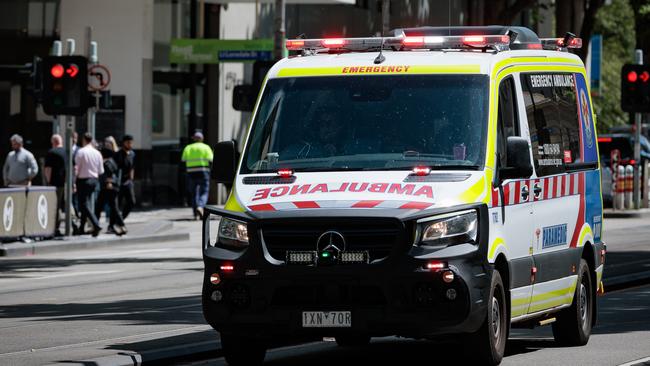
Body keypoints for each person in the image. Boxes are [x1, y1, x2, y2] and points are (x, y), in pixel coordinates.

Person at [74, 133, 104, 237]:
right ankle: (82, 227)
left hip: (83, 180)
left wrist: (73, 181)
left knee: (83, 204)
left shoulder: (81, 152)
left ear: (83, 140)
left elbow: (76, 169)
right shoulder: (97, 153)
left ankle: (95, 224)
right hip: (94, 180)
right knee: (85, 203)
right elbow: (101, 171)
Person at [181, 131, 213, 219]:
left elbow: (183, 159)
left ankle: (195, 214)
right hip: (203, 171)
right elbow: (211, 159)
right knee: (204, 191)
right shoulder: (206, 147)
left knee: (194, 193)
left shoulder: (188, 147)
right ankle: (201, 206)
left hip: (191, 172)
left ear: (194, 139)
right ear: (202, 139)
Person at [95, 148, 127, 236]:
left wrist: (109, 182)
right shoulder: (111, 161)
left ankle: (121, 225)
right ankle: (95, 225)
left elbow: (109, 173)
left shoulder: (107, 163)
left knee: (108, 207)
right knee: (106, 207)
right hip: (110, 187)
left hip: (108, 187)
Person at [44, 134, 66, 236]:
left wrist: (48, 182)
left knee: (55, 206)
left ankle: (55, 228)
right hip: (66, 183)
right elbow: (75, 168)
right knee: (65, 205)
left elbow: (48, 169)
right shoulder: (68, 152)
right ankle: (72, 225)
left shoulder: (51, 152)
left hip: (55, 184)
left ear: (53, 142)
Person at [114, 135, 136, 219]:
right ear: (124, 143)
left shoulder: (132, 154)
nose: (130, 145)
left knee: (132, 201)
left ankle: (121, 219)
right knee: (117, 204)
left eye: (131, 143)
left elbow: (133, 166)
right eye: (128, 143)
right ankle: (113, 224)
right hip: (119, 182)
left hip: (128, 182)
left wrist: (131, 179)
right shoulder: (118, 154)